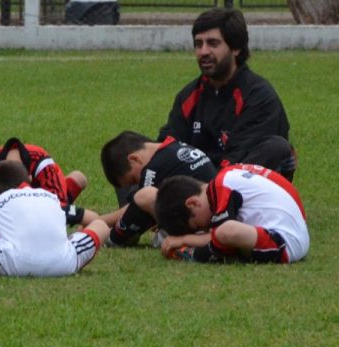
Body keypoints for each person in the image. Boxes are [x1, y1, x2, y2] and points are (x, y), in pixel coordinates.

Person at [158, 8, 296, 181]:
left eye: (213, 43)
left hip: (240, 190)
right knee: (128, 151)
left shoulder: (258, 96)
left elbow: (242, 162)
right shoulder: (189, 96)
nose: (203, 52)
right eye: (198, 44)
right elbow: (168, 147)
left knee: (277, 147)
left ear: (236, 48)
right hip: (192, 192)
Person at [154, 164, 308, 264]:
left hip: (283, 243)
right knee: (223, 232)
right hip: (296, 233)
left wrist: (185, 240)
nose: (205, 228)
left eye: (198, 225)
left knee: (225, 232)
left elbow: (223, 234)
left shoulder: (220, 186)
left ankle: (196, 255)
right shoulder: (230, 173)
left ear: (193, 203)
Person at [99, 131, 218, 246]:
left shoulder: (152, 169)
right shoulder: (173, 146)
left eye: (134, 179)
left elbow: (138, 203)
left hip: (200, 220)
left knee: (146, 196)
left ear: (134, 159)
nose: (137, 183)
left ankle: (112, 238)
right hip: (214, 213)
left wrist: (101, 221)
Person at [0, 137, 95, 227]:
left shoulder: (42, 162)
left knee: (78, 178)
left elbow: (58, 200)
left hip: (41, 198)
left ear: (28, 177)